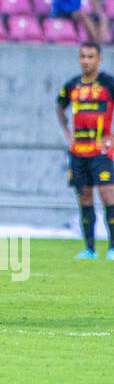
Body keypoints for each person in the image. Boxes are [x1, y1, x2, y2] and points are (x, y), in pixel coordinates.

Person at [55, 43, 114, 261]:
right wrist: (66, 131)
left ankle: (112, 248)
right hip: (78, 150)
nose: (86, 60)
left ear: (99, 59)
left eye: (91, 56)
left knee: (108, 194)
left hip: (101, 150)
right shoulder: (72, 85)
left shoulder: (108, 83)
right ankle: (89, 248)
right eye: (83, 56)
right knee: (84, 197)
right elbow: (60, 105)